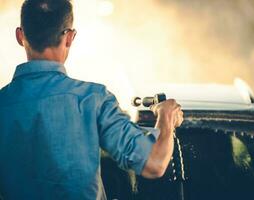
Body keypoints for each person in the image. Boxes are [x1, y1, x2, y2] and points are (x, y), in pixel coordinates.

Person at [0, 0, 183, 199]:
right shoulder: (93, 100)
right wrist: (166, 117)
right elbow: (154, 163)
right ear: (69, 37)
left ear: (20, 36)